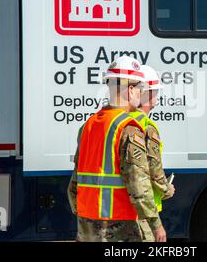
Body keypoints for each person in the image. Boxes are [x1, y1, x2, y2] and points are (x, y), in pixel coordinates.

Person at [67, 56, 166, 242]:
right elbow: (139, 184)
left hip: (86, 224)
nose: (140, 93)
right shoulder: (128, 128)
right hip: (118, 225)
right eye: (140, 89)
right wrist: (156, 225)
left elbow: (74, 184)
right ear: (130, 90)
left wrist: (84, 217)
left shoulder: (88, 125)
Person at [129, 65, 175, 241]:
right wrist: (167, 189)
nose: (157, 96)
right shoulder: (147, 126)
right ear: (146, 93)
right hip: (144, 211)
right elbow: (153, 172)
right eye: (155, 91)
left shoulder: (122, 121)